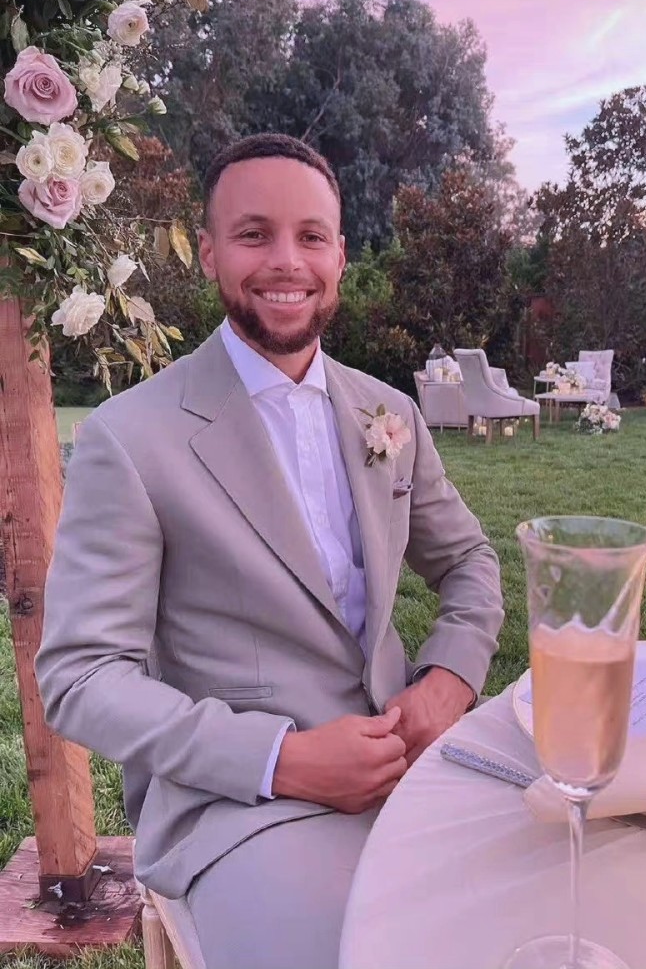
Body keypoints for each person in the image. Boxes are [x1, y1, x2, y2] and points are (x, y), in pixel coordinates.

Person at [35, 133, 504, 969]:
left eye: (311, 236)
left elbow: (469, 561)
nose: (287, 261)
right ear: (211, 253)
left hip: (413, 768)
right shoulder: (130, 438)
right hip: (239, 808)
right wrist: (282, 760)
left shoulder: (387, 413)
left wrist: (448, 682)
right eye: (254, 234)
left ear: (340, 257)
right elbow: (82, 677)